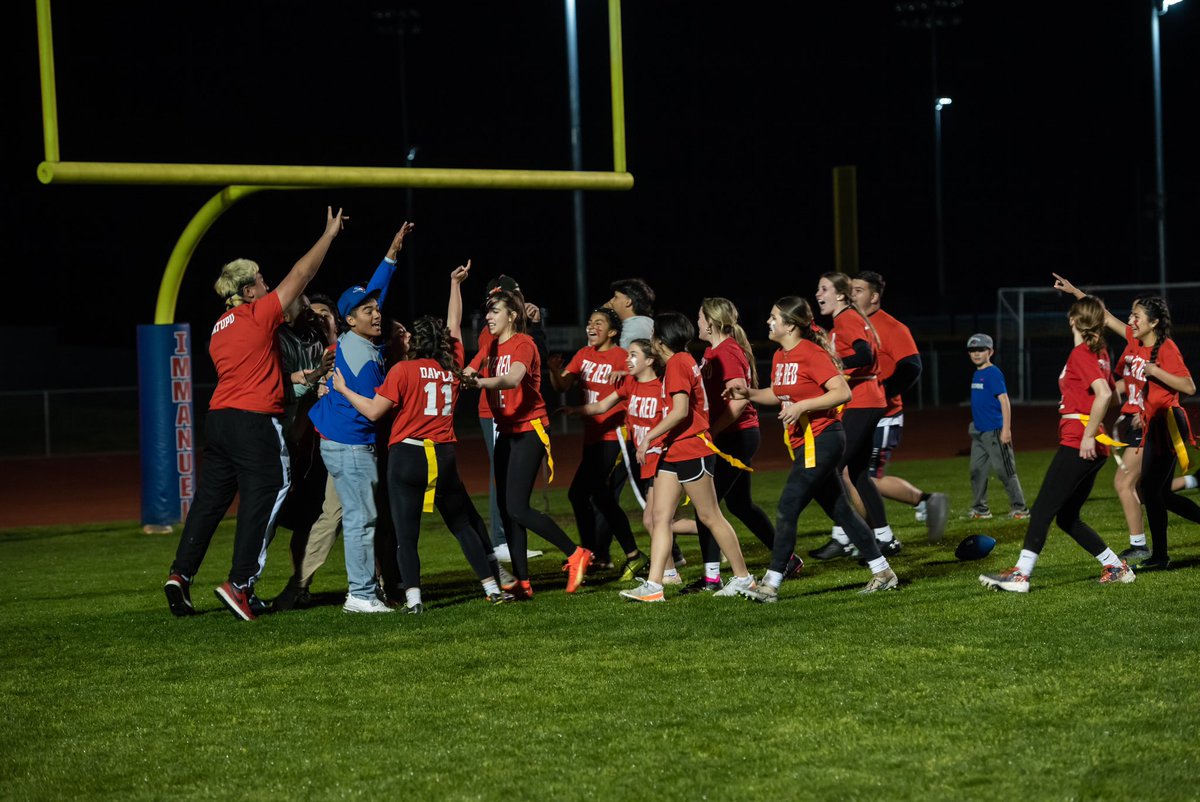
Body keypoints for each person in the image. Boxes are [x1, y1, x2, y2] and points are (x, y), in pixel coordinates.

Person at [163, 206, 346, 621]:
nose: (268, 283)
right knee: (270, 491)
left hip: (220, 420)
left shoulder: (217, 328)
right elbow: (304, 273)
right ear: (247, 291)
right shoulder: (256, 314)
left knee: (209, 502)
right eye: (261, 278)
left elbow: (257, 372)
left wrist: (303, 376)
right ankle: (241, 584)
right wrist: (329, 235)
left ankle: (180, 574)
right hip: (253, 421)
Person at [333, 262, 510, 612]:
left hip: (408, 457)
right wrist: (454, 285)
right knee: (461, 526)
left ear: (416, 340)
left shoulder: (402, 370)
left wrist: (342, 389)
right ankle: (492, 587)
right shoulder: (451, 366)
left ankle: (414, 599)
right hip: (443, 456)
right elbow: (455, 323)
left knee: (406, 535)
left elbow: (372, 411)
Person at [727, 297, 899, 601]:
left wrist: (804, 405)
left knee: (788, 506)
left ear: (791, 325)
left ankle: (771, 584)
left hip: (823, 439)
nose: (768, 322)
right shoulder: (781, 355)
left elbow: (842, 392)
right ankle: (883, 571)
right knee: (841, 511)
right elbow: (780, 394)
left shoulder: (811, 352)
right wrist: (750, 393)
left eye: (773, 317)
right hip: (805, 443)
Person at [979, 295, 1135, 592]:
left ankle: (1020, 575)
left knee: (1041, 511)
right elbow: (1114, 395)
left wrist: (1087, 434)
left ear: (1073, 320)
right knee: (1066, 517)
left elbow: (1103, 394)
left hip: (1080, 441)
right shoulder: (1101, 351)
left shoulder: (1082, 354)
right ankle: (1115, 565)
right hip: (1093, 442)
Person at [1053, 274, 1199, 571]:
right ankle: (1155, 553)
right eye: (1131, 314)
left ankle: (1147, 549)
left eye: (1137, 315)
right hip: (1142, 423)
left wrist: (1155, 371)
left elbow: (1189, 387)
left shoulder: (1166, 347)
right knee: (1157, 494)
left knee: (1137, 487)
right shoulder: (1134, 339)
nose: (1130, 319)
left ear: (1154, 322)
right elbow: (1104, 316)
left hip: (1162, 426)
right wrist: (1074, 291)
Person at [308, 222, 414, 614]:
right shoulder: (360, 355)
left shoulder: (357, 337)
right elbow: (376, 408)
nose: (376, 313)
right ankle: (361, 594)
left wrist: (391, 254)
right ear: (349, 319)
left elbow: (376, 294)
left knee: (360, 517)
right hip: (351, 446)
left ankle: (365, 590)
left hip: (341, 441)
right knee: (360, 520)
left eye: (376, 308)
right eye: (367, 310)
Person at [619, 312, 758, 602]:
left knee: (710, 515)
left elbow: (680, 410)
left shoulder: (679, 363)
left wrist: (649, 436)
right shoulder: (676, 363)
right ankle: (654, 586)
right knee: (660, 518)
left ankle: (744, 578)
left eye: (656, 331)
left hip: (691, 448)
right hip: (674, 448)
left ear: (662, 338)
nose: (653, 335)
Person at [465, 290, 592, 597]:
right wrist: (460, 375)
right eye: (488, 312)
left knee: (518, 508)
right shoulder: (489, 343)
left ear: (512, 315)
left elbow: (512, 378)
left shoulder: (525, 343)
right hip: (508, 430)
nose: (489, 317)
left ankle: (576, 553)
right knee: (507, 510)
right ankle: (523, 583)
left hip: (529, 430)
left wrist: (479, 382)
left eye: (496, 311)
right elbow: (470, 368)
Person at [686, 297, 802, 592]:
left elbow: (737, 405)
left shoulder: (727, 352)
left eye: (700, 318)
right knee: (739, 505)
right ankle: (787, 558)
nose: (697, 323)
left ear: (710, 323)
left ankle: (712, 578)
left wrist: (709, 431)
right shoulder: (714, 351)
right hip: (733, 435)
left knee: (707, 509)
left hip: (736, 435)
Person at [848, 272, 949, 542]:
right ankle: (858, 536)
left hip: (884, 416)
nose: (851, 294)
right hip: (858, 414)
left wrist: (881, 393)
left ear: (874, 296)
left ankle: (921, 502)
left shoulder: (892, 327)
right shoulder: (851, 326)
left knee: (865, 478)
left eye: (858, 290)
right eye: (850, 290)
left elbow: (912, 367)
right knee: (852, 475)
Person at [808, 272, 901, 560]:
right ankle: (885, 538)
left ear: (840, 294)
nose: (818, 294)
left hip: (862, 399)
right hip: (866, 398)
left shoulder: (846, 319)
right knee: (859, 473)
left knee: (831, 468)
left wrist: (832, 364)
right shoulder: (844, 320)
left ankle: (843, 537)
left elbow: (863, 356)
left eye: (824, 288)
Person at [548, 307, 646, 578]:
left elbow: (643, 380)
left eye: (598, 323)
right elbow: (562, 386)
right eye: (589, 322)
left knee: (582, 493)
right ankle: (620, 554)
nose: (591, 327)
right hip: (592, 435)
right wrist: (554, 371)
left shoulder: (623, 357)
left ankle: (597, 553)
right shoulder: (583, 354)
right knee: (597, 495)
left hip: (615, 435)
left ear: (612, 331)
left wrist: (625, 372)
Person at [471, 275, 545, 564]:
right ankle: (502, 539)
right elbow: (504, 373)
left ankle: (508, 541)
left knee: (507, 481)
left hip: (509, 413)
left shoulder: (522, 338)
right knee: (501, 479)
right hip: (497, 413)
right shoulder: (496, 333)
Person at [964, 332, 1030, 520]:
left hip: (994, 430)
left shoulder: (993, 373)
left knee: (1005, 470)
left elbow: (1004, 401)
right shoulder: (977, 373)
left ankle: (1020, 508)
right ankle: (980, 509)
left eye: (981, 350)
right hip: (978, 431)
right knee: (976, 470)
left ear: (990, 352)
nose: (976, 354)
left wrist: (1006, 429)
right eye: (972, 350)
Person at [606, 278, 656, 348]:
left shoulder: (635, 327)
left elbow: (623, 357)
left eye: (616, 297)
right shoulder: (645, 322)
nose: (611, 301)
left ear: (628, 302)